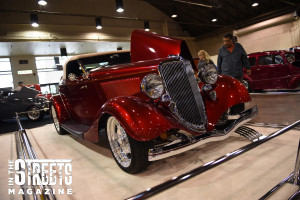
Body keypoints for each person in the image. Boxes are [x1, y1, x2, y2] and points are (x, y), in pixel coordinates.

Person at [217, 33, 251, 114]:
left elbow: (244, 57)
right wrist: (219, 75)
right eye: (224, 41)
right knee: (227, 94)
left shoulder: (239, 47)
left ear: (232, 40)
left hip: (237, 75)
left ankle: (239, 111)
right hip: (226, 76)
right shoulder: (221, 50)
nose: (225, 43)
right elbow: (219, 63)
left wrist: (248, 68)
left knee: (238, 93)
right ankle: (228, 111)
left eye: (227, 41)